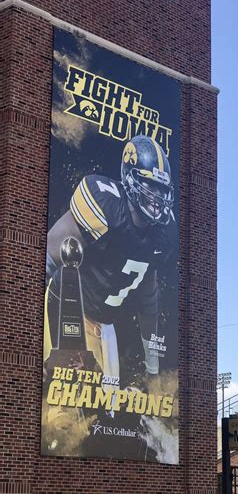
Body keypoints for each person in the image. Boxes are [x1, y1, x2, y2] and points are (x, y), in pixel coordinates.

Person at [44, 134, 177, 391]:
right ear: (130, 179)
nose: (157, 197)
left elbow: (149, 297)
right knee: (67, 412)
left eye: (162, 189)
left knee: (108, 406)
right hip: (69, 309)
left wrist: (153, 367)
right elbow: (51, 251)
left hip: (106, 325)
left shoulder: (164, 233)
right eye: (150, 186)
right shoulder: (107, 203)